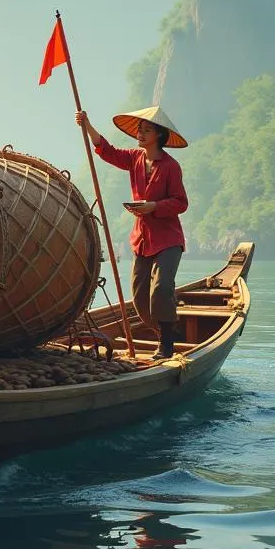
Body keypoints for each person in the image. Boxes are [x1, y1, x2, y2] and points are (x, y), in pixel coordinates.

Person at [75, 105, 189, 359]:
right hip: (142, 239)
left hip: (168, 239)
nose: (139, 134)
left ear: (158, 136)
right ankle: (167, 330)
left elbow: (181, 203)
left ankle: (167, 345)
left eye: (146, 130)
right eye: (139, 129)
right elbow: (107, 151)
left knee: (161, 289)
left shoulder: (171, 167)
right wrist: (87, 126)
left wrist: (154, 207)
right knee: (139, 300)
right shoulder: (135, 158)